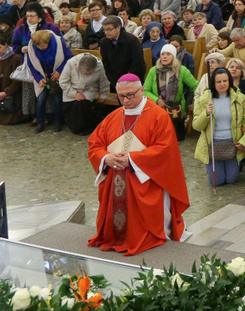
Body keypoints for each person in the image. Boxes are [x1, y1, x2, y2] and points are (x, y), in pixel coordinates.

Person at [87, 74, 190, 256]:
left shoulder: (158, 116)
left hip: (145, 181)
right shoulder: (112, 117)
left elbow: (165, 150)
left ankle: (147, 236)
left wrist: (133, 159)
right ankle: (117, 237)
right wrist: (106, 158)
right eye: (121, 96)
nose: (126, 100)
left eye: (130, 95)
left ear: (142, 90)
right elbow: (95, 144)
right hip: (115, 181)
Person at [192, 67, 245, 187]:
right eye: (218, 82)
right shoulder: (204, 100)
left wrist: (244, 141)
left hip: (233, 142)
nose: (222, 84)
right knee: (216, 181)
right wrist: (206, 113)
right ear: (213, 83)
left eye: (225, 81)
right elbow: (196, 126)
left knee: (231, 179)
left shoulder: (240, 98)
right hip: (213, 143)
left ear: (229, 81)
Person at [144, 43, 199, 141]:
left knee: (177, 139)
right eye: (163, 54)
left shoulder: (182, 70)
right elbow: (145, 90)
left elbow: (196, 86)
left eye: (168, 54)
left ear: (173, 56)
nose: (164, 56)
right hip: (158, 109)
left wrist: (196, 101)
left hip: (176, 111)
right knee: (159, 139)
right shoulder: (154, 70)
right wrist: (157, 100)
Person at [26, 29, 73, 133]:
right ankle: (40, 123)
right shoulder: (32, 46)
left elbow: (69, 57)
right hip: (43, 76)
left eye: (43, 45)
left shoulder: (59, 42)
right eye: (38, 46)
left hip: (56, 77)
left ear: (48, 42)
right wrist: (39, 79)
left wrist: (59, 70)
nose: (40, 48)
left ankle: (58, 122)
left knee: (57, 100)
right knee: (40, 100)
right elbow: (31, 64)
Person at [59, 53, 110, 135]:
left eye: (88, 73)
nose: (86, 74)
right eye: (83, 72)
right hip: (71, 88)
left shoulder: (99, 66)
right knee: (69, 107)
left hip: (89, 89)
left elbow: (103, 82)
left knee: (81, 104)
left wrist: (103, 95)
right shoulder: (71, 63)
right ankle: (76, 127)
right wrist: (74, 94)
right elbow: (63, 81)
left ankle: (86, 127)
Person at [100, 15, 147, 91]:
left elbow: (137, 62)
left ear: (118, 28)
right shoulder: (104, 42)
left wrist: (126, 79)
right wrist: (113, 81)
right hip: (115, 80)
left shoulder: (131, 40)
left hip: (132, 79)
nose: (106, 32)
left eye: (109, 29)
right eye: (105, 30)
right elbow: (106, 63)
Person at [0, 34, 24, 125]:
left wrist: (6, 92)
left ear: (6, 45)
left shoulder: (16, 59)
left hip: (15, 96)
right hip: (1, 97)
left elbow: (18, 81)